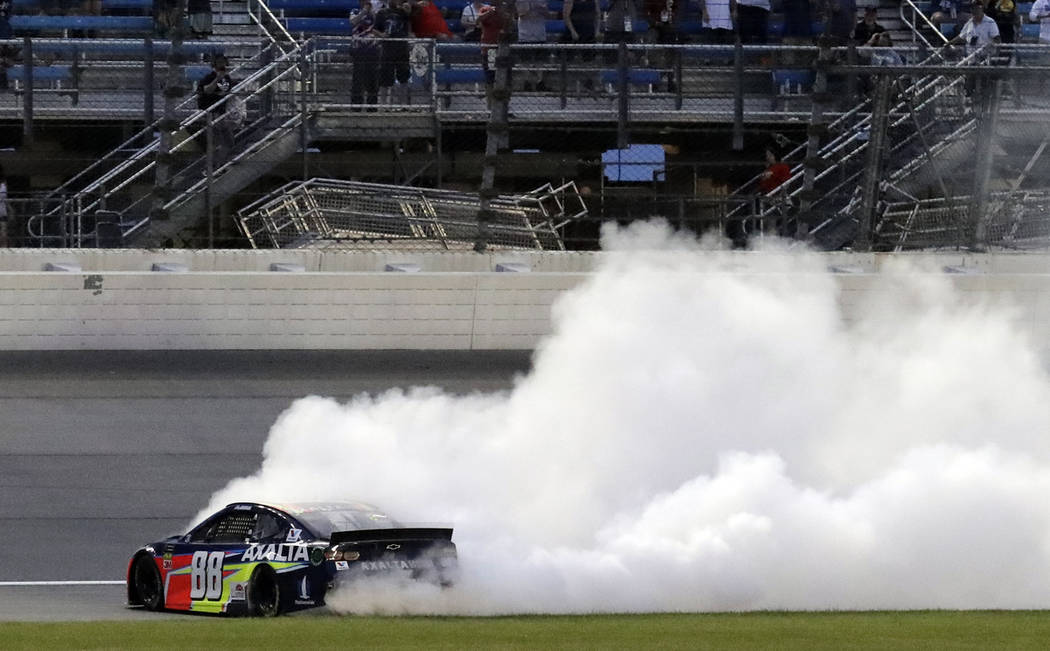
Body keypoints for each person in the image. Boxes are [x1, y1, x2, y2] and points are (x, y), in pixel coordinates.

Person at [196, 55, 237, 159]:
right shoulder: (209, 77)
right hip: (209, 112)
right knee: (215, 141)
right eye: (219, 63)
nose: (222, 65)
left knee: (229, 141)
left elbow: (225, 92)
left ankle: (220, 162)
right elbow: (207, 90)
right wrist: (217, 79)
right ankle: (213, 165)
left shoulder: (226, 78)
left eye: (223, 63)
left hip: (221, 113)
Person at [376, 0, 412, 105]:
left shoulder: (403, 12)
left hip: (401, 49)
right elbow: (375, 29)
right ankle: (383, 104)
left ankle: (403, 104)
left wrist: (407, 11)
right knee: (385, 78)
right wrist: (381, 35)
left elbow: (409, 25)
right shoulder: (382, 13)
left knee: (403, 77)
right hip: (388, 49)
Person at [350, 0, 381, 108]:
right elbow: (353, 22)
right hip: (358, 49)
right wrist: (364, 12)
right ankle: (356, 104)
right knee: (358, 78)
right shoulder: (355, 11)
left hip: (373, 48)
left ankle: (372, 105)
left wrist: (372, 12)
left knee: (372, 78)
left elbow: (379, 25)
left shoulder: (376, 13)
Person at [516, 0, 549, 91]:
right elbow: (521, 14)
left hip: (539, 34)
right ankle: (527, 82)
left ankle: (540, 81)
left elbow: (547, 14)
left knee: (540, 60)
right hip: (525, 34)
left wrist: (540, 9)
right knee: (525, 60)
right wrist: (531, 7)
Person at [0, 164, 7, 248]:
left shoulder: (3, 183)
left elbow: (5, 196)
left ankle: (4, 251)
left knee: (3, 235)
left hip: (2, 212)